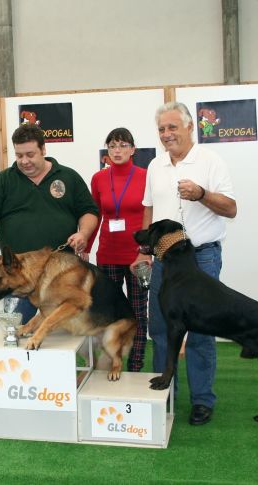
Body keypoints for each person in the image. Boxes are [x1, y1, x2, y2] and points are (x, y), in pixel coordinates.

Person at [131, 101, 237, 426]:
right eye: (162, 129)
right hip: (163, 262)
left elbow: (231, 209)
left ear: (190, 127)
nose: (166, 134)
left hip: (202, 259)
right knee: (161, 328)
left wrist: (202, 193)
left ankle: (202, 400)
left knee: (201, 331)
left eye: (172, 127)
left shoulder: (211, 161)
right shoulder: (154, 165)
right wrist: (145, 252)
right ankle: (165, 393)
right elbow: (148, 209)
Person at [0, 123, 99, 322]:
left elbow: (88, 211)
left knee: (65, 340)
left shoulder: (68, 177)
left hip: (61, 275)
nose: (24, 161)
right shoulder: (3, 181)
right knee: (15, 334)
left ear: (43, 149)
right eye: (19, 156)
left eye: (30, 154)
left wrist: (83, 234)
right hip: (17, 278)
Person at [82, 127, 148, 372]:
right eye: (112, 146)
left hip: (137, 257)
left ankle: (136, 363)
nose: (117, 151)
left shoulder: (145, 176)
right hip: (107, 255)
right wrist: (87, 246)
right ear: (106, 151)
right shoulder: (99, 178)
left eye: (122, 145)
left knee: (138, 313)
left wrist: (147, 250)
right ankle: (110, 361)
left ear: (132, 150)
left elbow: (150, 215)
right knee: (107, 312)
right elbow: (95, 215)